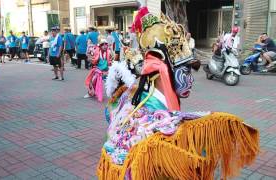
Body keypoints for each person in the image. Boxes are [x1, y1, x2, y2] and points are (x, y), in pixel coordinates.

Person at [97, 5, 259, 180]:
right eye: (186, 70)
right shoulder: (150, 120)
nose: (190, 80)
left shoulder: (141, 95)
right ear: (160, 68)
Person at [84, 36, 112, 101]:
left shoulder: (109, 52)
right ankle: (90, 93)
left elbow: (110, 61)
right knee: (92, 81)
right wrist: (90, 58)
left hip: (106, 71)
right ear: (100, 46)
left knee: (111, 82)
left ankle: (113, 94)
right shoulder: (96, 51)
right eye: (103, 45)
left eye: (106, 44)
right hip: (97, 70)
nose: (105, 46)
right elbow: (89, 57)